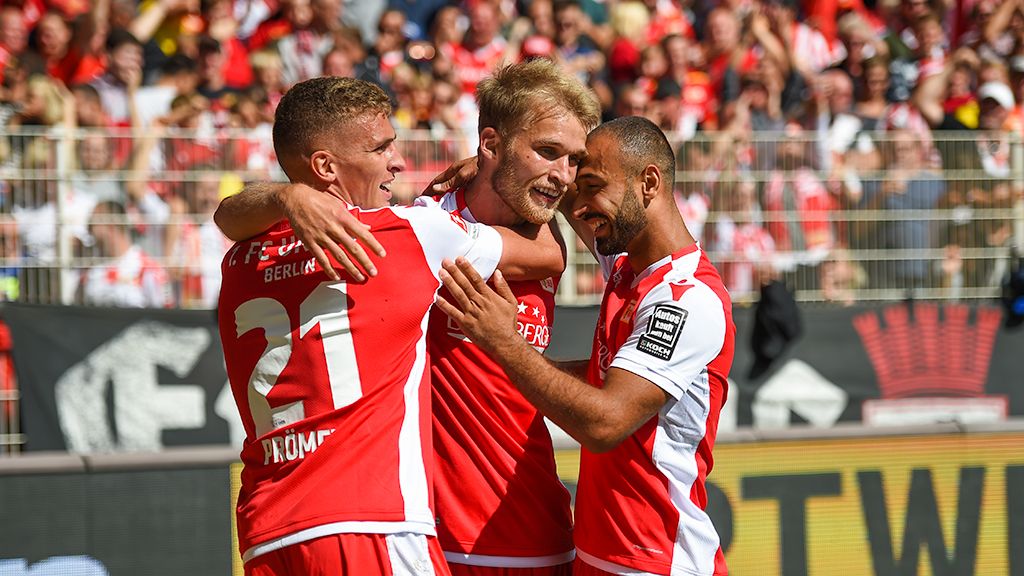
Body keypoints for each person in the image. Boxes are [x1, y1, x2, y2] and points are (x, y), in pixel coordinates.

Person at [216, 59, 602, 575]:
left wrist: (286, 196)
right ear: (491, 143)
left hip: (275, 523)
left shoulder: (241, 258)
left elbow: (226, 215)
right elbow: (549, 256)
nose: (397, 162)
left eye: (573, 160)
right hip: (394, 523)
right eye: (381, 149)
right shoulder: (418, 228)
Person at [434, 116, 735, 576]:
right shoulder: (628, 263)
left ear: (648, 183)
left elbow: (605, 421)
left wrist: (504, 344)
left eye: (593, 185)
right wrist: (494, 169)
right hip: (602, 556)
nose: (578, 208)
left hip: (657, 562)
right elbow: (559, 191)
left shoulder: (686, 299)